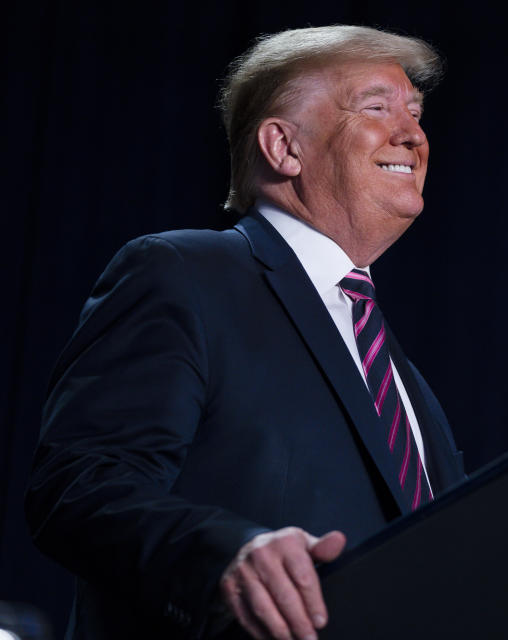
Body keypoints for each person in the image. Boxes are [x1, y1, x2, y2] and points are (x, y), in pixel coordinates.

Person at [25, 25, 465, 640]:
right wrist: (226, 556)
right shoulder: (184, 273)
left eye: (416, 114)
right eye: (375, 108)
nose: (413, 135)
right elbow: (80, 489)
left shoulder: (398, 374)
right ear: (284, 147)